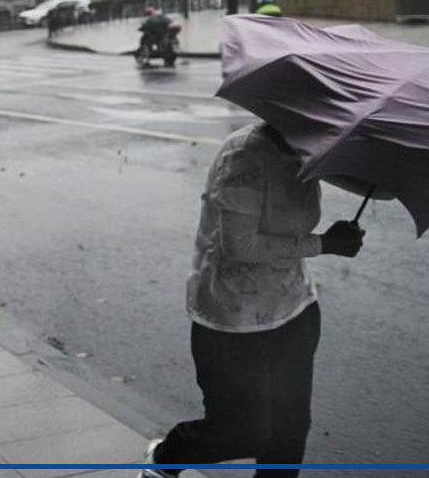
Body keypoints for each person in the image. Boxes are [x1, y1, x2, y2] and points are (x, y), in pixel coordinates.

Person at [139, 122, 364, 478]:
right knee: (241, 432)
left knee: (288, 435)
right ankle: (169, 455)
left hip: (295, 310)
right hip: (232, 319)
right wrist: (325, 244)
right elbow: (240, 246)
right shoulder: (244, 154)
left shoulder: (310, 150)